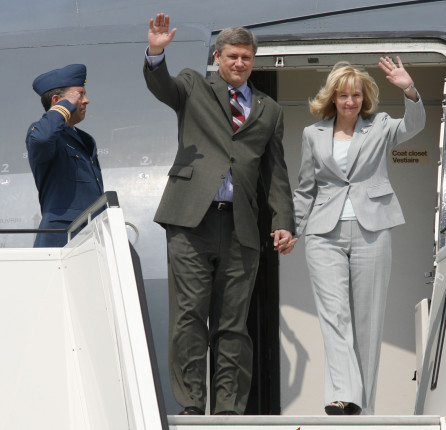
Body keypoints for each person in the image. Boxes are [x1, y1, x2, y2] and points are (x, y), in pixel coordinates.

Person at [143, 14, 296, 415]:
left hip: (242, 227)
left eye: (246, 57)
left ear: (253, 60)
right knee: (190, 317)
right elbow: (162, 86)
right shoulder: (194, 86)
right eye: (232, 56)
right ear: (218, 57)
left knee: (232, 326)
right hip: (192, 221)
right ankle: (192, 405)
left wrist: (282, 223)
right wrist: (156, 52)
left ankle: (228, 410)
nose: (239, 63)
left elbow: (275, 175)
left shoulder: (270, 110)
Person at [292, 58, 425, 415]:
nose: (350, 101)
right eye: (343, 95)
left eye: (356, 95)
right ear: (332, 98)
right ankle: (343, 394)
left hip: (371, 230)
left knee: (367, 322)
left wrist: (408, 89)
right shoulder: (312, 134)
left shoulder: (380, 125)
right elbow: (305, 188)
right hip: (324, 233)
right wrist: (294, 228)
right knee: (334, 317)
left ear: (364, 97)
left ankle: (362, 411)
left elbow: (414, 125)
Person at [26, 64, 103, 248]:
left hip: (93, 234)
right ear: (56, 100)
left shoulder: (84, 139)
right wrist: (65, 106)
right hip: (62, 239)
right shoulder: (41, 133)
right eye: (79, 94)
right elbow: (43, 139)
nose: (86, 100)